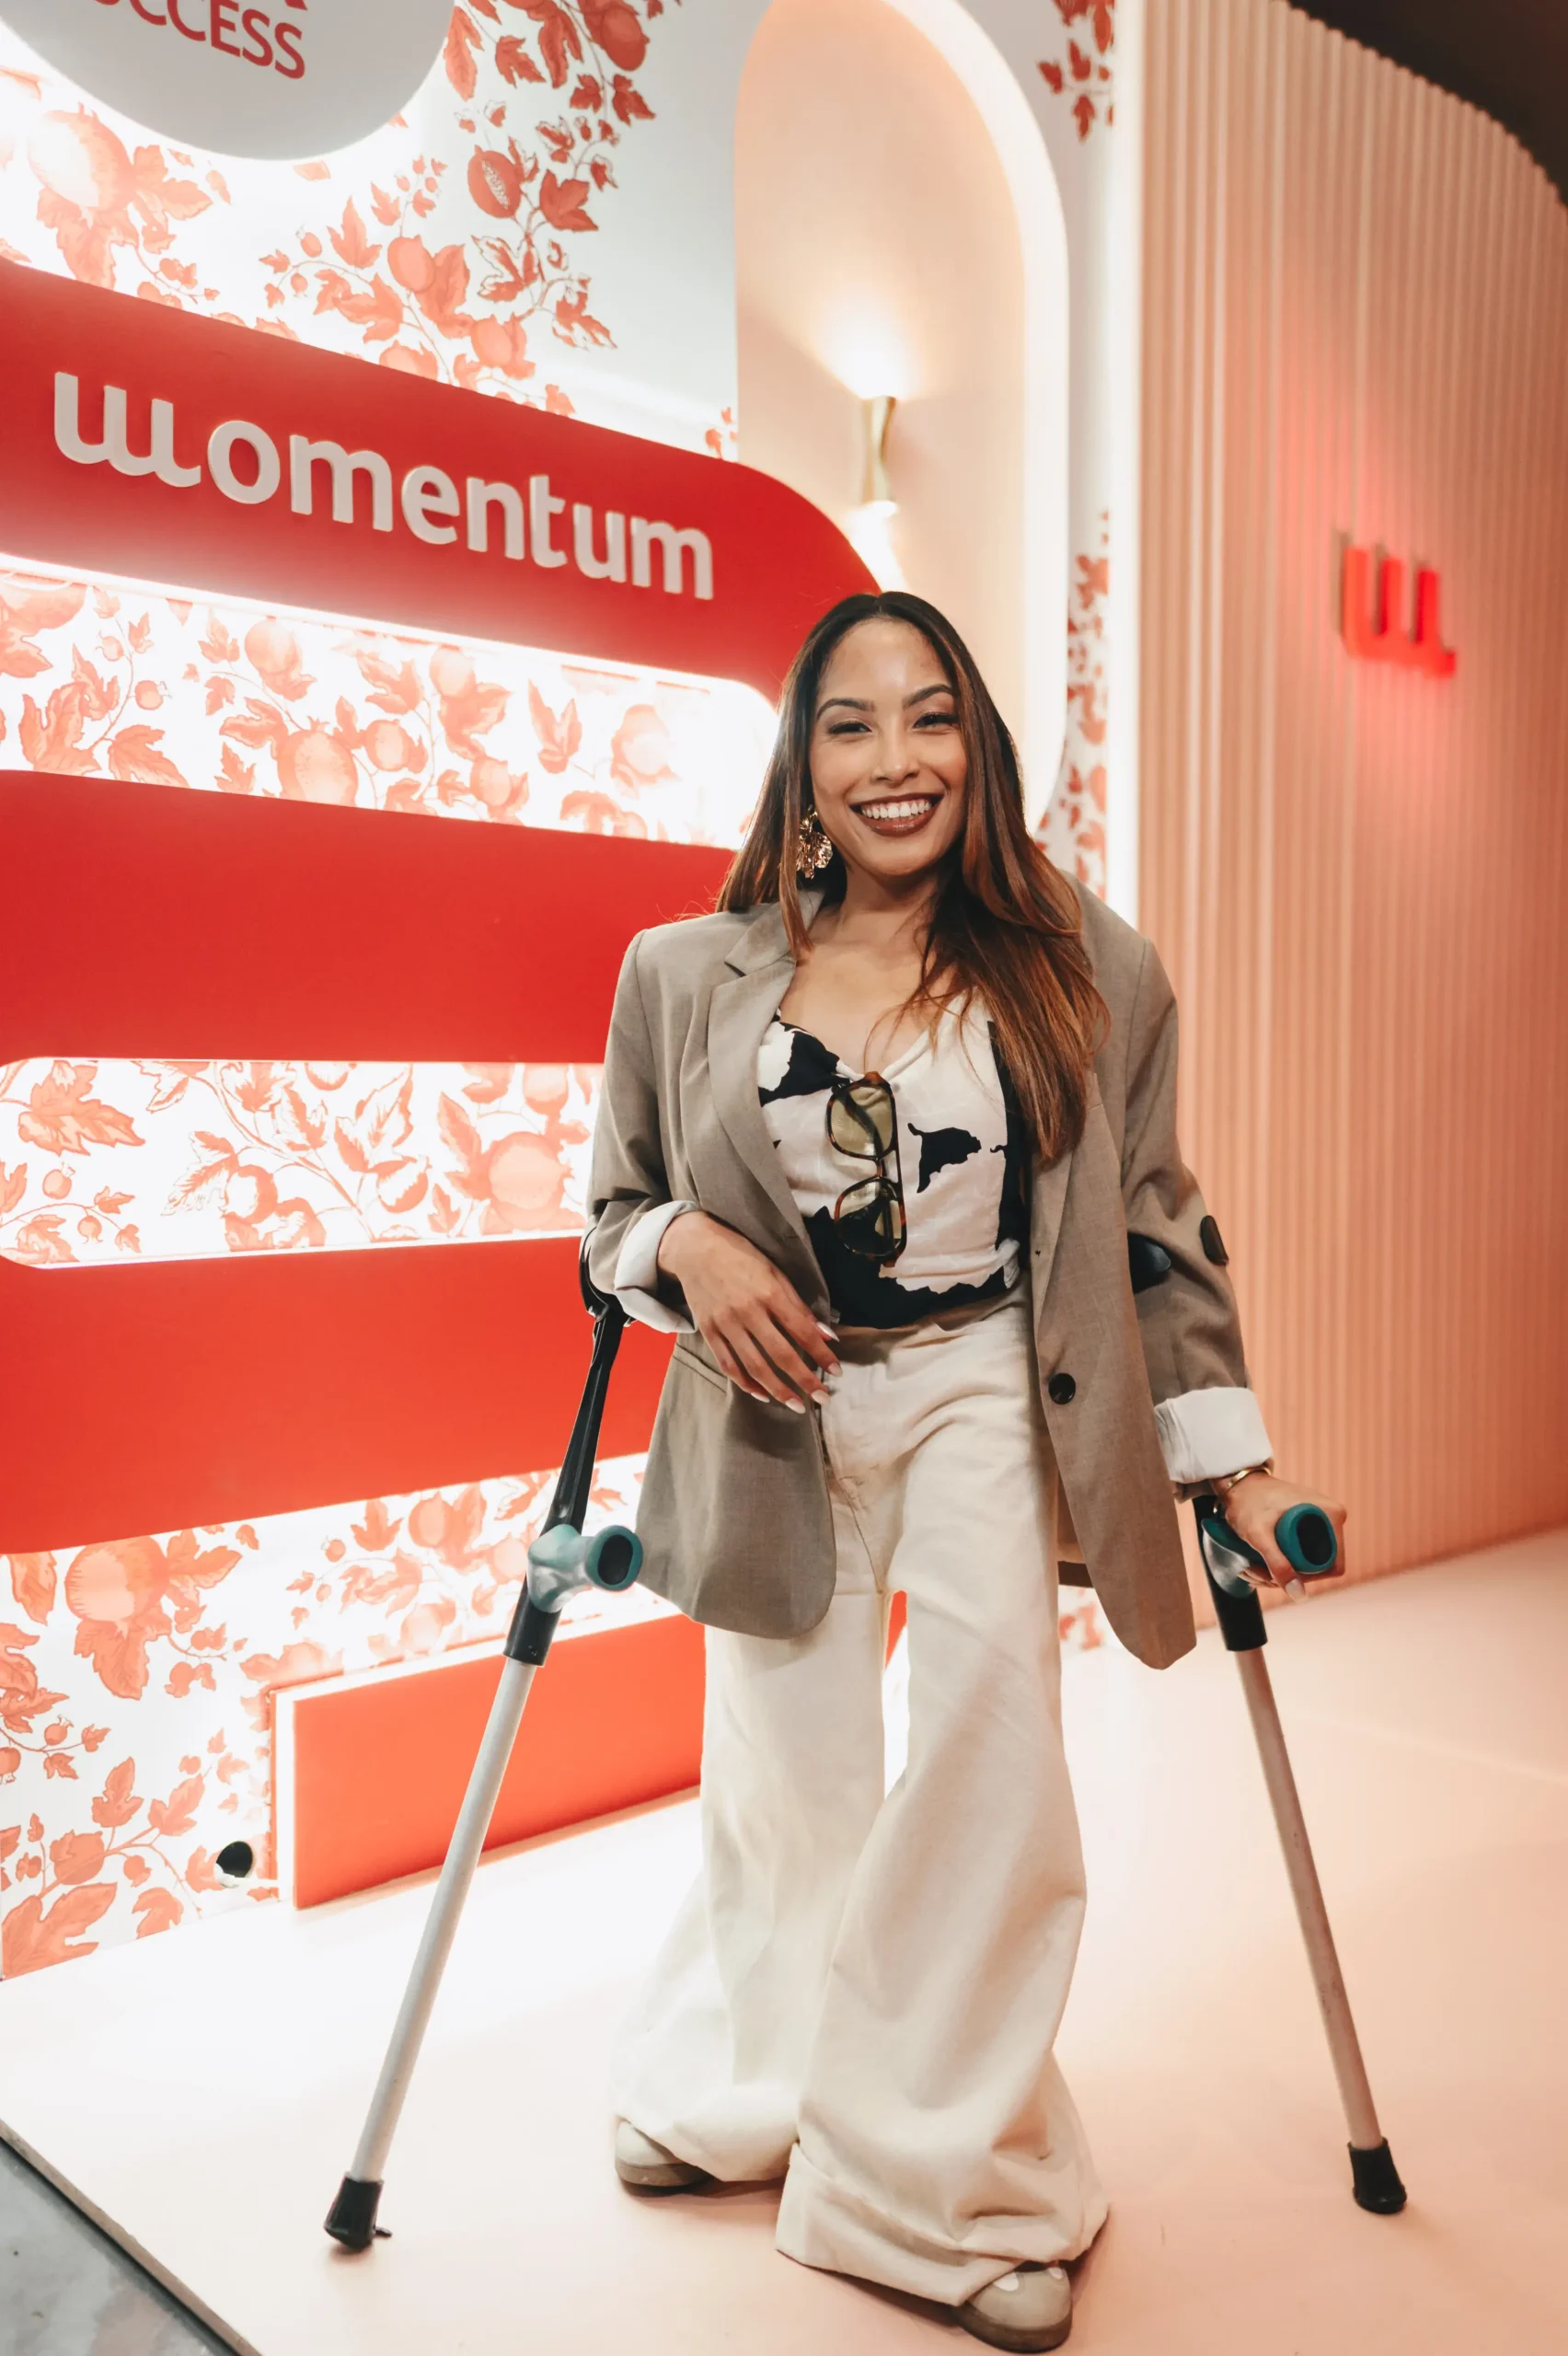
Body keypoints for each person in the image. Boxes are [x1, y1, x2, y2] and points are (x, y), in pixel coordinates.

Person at [585, 590, 1346, 2351]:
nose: (896, 759)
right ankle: (756, 2089)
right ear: (803, 761)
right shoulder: (684, 972)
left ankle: (944, 2177)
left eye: (931, 717)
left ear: (980, 747)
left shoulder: (1087, 966)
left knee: (994, 1759)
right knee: (787, 1770)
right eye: (850, 724)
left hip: (984, 1383)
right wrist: (692, 1248)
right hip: (771, 1405)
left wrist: (1227, 1467)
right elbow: (613, 1214)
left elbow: (1153, 1227)